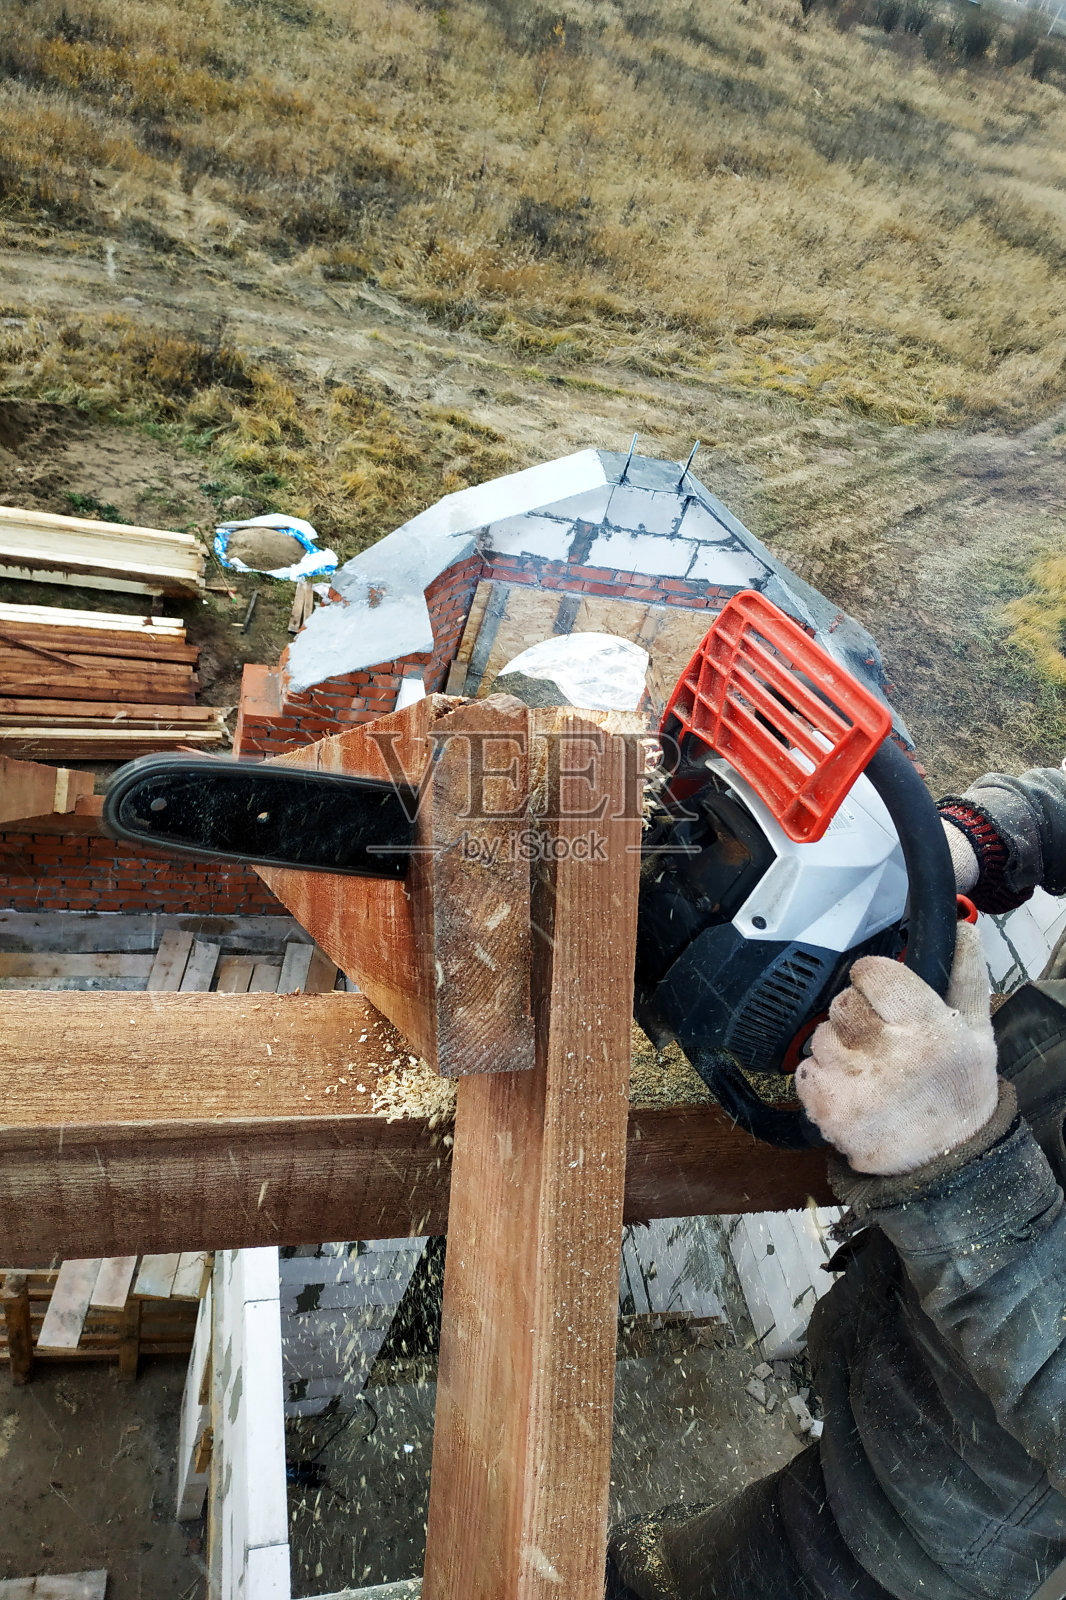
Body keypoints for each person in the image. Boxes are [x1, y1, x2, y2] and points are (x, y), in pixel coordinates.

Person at [606, 766, 1066, 1600]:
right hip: (902, 1363)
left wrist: (961, 1166)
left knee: (651, 1584)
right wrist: (965, 845)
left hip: (934, 1533)